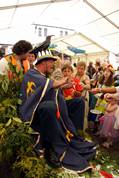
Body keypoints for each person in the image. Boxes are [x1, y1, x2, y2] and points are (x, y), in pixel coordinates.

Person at [19, 55, 96, 173]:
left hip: (57, 107)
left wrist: (65, 86)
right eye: (51, 62)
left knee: (79, 102)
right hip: (36, 114)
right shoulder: (32, 73)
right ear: (43, 62)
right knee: (49, 107)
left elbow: (51, 89)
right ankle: (50, 146)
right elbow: (49, 86)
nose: (53, 65)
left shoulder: (44, 76)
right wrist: (64, 80)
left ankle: (74, 134)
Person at [61, 63, 85, 132]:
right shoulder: (60, 81)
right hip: (64, 102)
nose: (67, 73)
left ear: (72, 72)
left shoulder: (76, 81)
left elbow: (80, 93)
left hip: (73, 102)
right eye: (65, 71)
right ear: (62, 72)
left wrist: (76, 93)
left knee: (80, 101)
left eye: (69, 71)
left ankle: (77, 130)